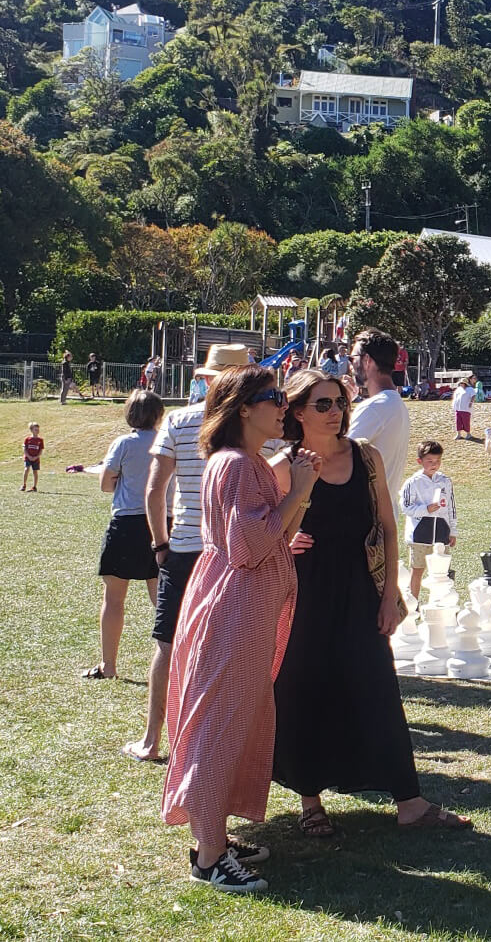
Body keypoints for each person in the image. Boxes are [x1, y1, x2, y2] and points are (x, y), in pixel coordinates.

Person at [269, 371, 470, 838]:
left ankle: (410, 802)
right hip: (303, 595)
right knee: (303, 692)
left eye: (339, 401)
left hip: (361, 590)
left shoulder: (366, 457)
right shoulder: (284, 465)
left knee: (377, 689)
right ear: (298, 412)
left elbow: (388, 527)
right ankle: (310, 802)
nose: (335, 411)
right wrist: (286, 538)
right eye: (322, 404)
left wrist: (389, 597)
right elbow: (263, 535)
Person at [162, 364, 321, 893]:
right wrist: (296, 489)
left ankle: (217, 836)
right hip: (234, 610)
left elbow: (263, 533)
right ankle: (209, 856)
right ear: (244, 408)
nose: (284, 406)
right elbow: (247, 547)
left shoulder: (244, 461)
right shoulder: (234, 464)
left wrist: (290, 516)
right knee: (219, 726)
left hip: (240, 603)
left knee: (236, 721)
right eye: (274, 397)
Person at [122, 344, 258, 764]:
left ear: (205, 379)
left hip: (184, 549)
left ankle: (152, 739)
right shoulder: (257, 428)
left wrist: (160, 544)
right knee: (238, 648)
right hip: (238, 551)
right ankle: (234, 742)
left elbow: (154, 489)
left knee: (167, 642)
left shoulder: (179, 421)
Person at [84, 390, 167, 680]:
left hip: (126, 525)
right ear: (159, 415)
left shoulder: (123, 443)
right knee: (164, 601)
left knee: (114, 599)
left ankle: (109, 666)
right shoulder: (166, 441)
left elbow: (106, 484)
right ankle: (175, 665)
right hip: (161, 524)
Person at [346, 329, 410, 521]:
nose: (350, 365)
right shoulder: (395, 404)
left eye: (352, 358)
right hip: (380, 519)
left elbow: (334, 455)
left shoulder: (375, 407)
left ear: (367, 360)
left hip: (363, 522)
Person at [400, 439, 457, 600]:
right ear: (420, 461)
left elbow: (451, 507)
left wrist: (452, 530)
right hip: (419, 536)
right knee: (417, 570)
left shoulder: (445, 481)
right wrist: (425, 509)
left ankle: (441, 604)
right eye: (430, 461)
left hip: (441, 534)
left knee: (442, 571)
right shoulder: (412, 482)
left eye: (438, 461)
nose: (434, 464)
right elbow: (405, 507)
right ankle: (413, 605)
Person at [21, 421, 42, 492]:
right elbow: (24, 448)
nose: (37, 431)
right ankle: (24, 484)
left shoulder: (40, 440)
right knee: (26, 469)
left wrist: (36, 457)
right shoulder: (27, 439)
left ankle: (34, 486)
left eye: (38, 429)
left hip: (36, 459)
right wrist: (28, 456)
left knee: (35, 471)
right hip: (28, 458)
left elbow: (40, 450)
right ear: (31, 430)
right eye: (35, 429)